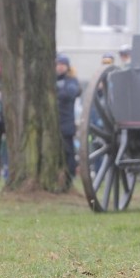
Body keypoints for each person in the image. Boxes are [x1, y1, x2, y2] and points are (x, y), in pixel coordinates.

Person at [56, 54, 82, 189]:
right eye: (58, 64)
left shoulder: (72, 80)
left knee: (68, 151)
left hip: (66, 122)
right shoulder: (53, 80)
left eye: (62, 64)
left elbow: (71, 94)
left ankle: (71, 174)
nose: (59, 67)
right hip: (55, 123)